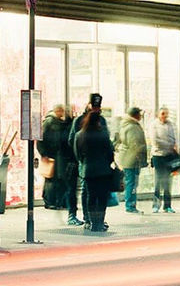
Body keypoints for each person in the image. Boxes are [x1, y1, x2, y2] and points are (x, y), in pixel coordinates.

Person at [72, 100, 115, 233]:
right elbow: (110, 152)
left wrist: (84, 162)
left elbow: (77, 153)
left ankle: (92, 222)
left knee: (91, 196)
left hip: (88, 170)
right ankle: (100, 222)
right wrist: (108, 162)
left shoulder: (79, 135)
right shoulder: (103, 134)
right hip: (103, 170)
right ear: (98, 122)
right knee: (101, 198)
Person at [39, 102, 79, 224]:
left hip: (57, 155)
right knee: (51, 179)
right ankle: (50, 201)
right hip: (52, 155)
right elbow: (42, 139)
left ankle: (57, 201)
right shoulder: (50, 122)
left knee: (57, 179)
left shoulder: (60, 122)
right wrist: (44, 153)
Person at [114, 106, 148, 213]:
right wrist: (140, 159)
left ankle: (130, 204)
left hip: (127, 158)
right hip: (132, 160)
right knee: (132, 184)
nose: (141, 116)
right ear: (135, 115)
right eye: (139, 114)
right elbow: (135, 144)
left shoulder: (125, 125)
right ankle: (130, 206)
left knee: (130, 183)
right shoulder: (133, 127)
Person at [148, 106, 179, 213]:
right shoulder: (154, 125)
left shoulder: (171, 124)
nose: (165, 116)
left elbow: (174, 139)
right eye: (162, 113)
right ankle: (156, 205)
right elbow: (155, 141)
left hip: (169, 156)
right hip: (158, 156)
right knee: (158, 181)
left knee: (168, 182)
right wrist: (168, 144)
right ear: (158, 114)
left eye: (166, 113)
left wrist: (170, 145)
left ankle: (167, 206)